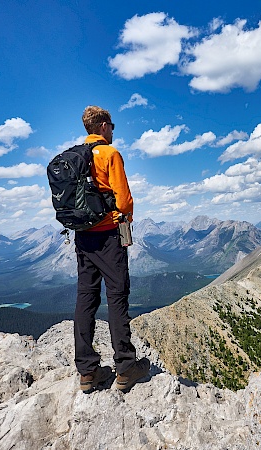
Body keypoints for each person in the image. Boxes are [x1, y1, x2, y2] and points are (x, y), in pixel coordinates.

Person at [74, 105, 149, 392]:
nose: (113, 130)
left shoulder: (77, 156)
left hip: (83, 237)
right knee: (117, 296)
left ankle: (87, 371)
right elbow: (125, 201)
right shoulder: (109, 154)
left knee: (86, 298)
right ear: (103, 125)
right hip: (108, 236)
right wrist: (123, 220)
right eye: (112, 125)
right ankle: (126, 367)